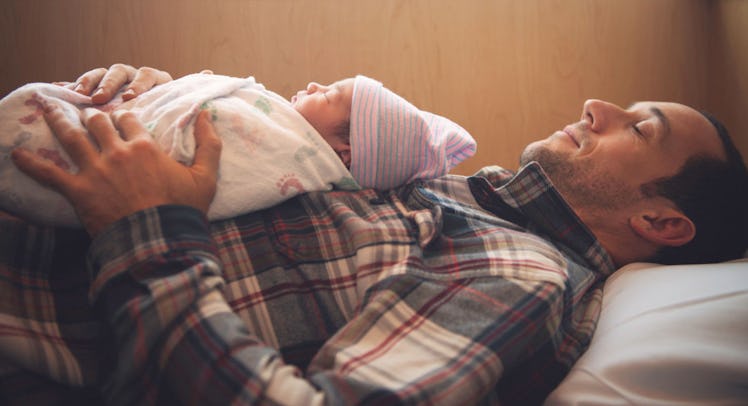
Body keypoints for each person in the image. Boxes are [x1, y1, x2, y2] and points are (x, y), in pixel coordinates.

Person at [2, 64, 747, 405]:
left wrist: (144, 231)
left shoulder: (522, 277)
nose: (596, 105)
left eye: (638, 126)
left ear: (660, 222)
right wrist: (169, 105)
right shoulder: (436, 185)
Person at [0, 70, 476, 226]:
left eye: (330, 95)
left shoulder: (289, 153)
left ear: (344, 152)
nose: (313, 83)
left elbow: (207, 149)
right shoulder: (272, 116)